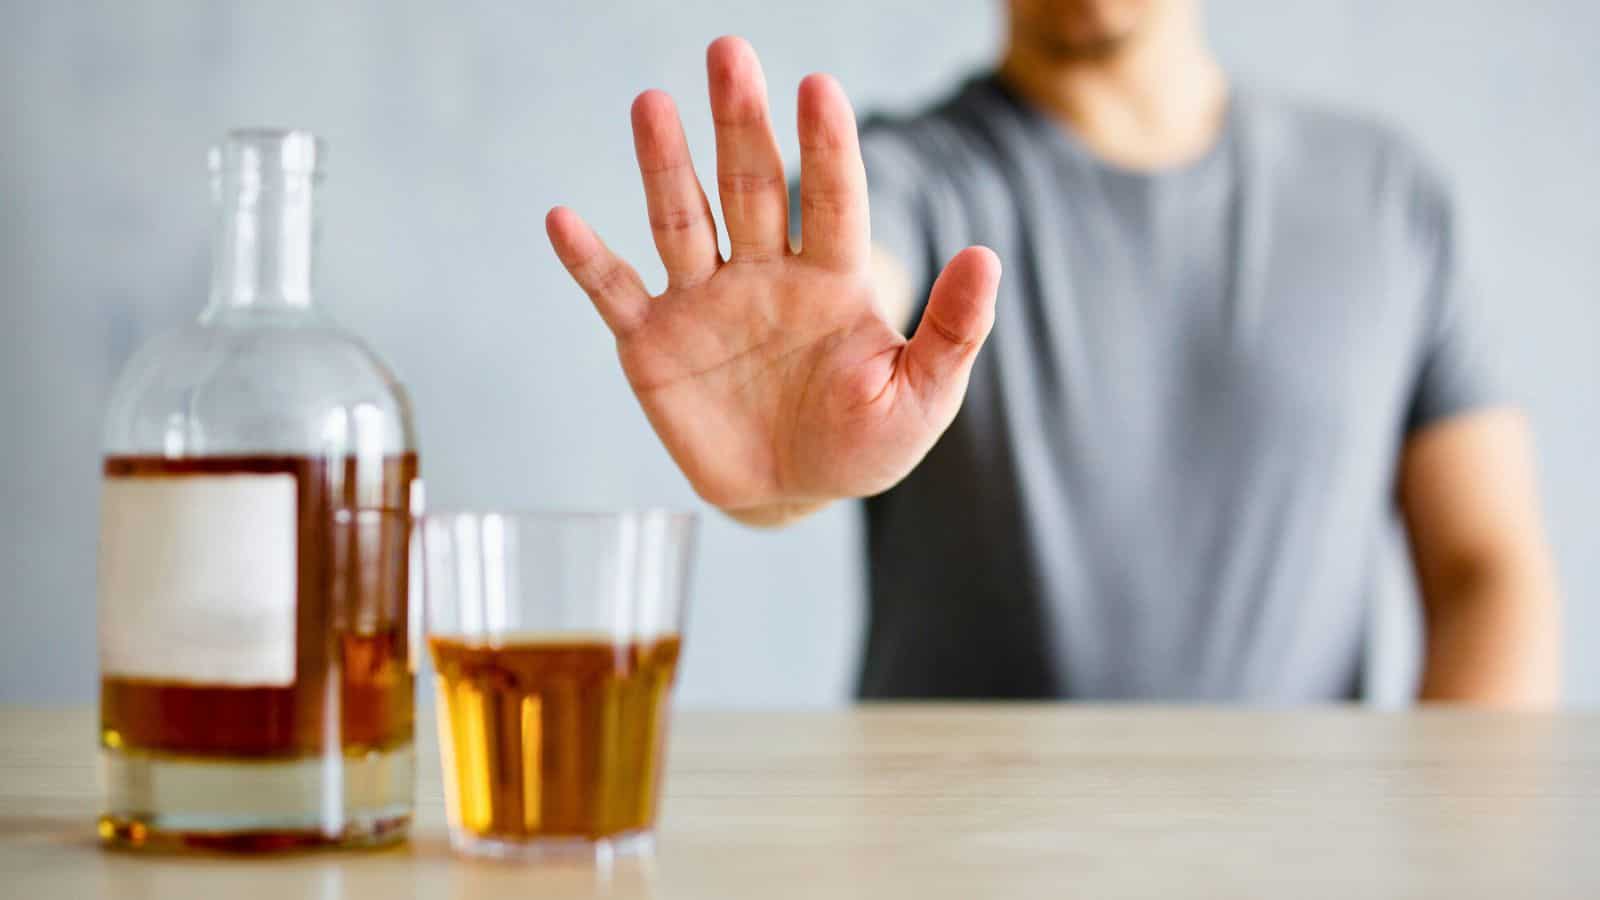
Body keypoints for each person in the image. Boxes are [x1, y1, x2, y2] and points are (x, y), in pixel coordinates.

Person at [544, 0, 1561, 705]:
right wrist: (778, 475)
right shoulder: (902, 184)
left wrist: (1453, 842)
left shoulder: (1385, 196)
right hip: (944, 864)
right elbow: (846, 319)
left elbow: (1484, 566)